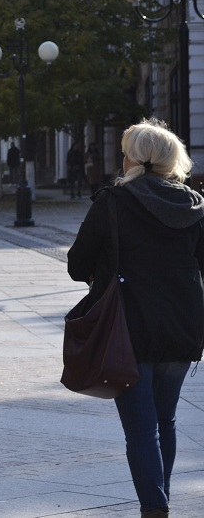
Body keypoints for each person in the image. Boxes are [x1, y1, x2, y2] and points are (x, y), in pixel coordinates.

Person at [67, 119, 204, 518]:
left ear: (132, 159)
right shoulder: (194, 205)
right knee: (165, 419)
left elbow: (77, 264)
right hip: (183, 326)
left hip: (127, 326)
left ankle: (155, 508)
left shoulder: (113, 201)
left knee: (142, 428)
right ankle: (160, 500)